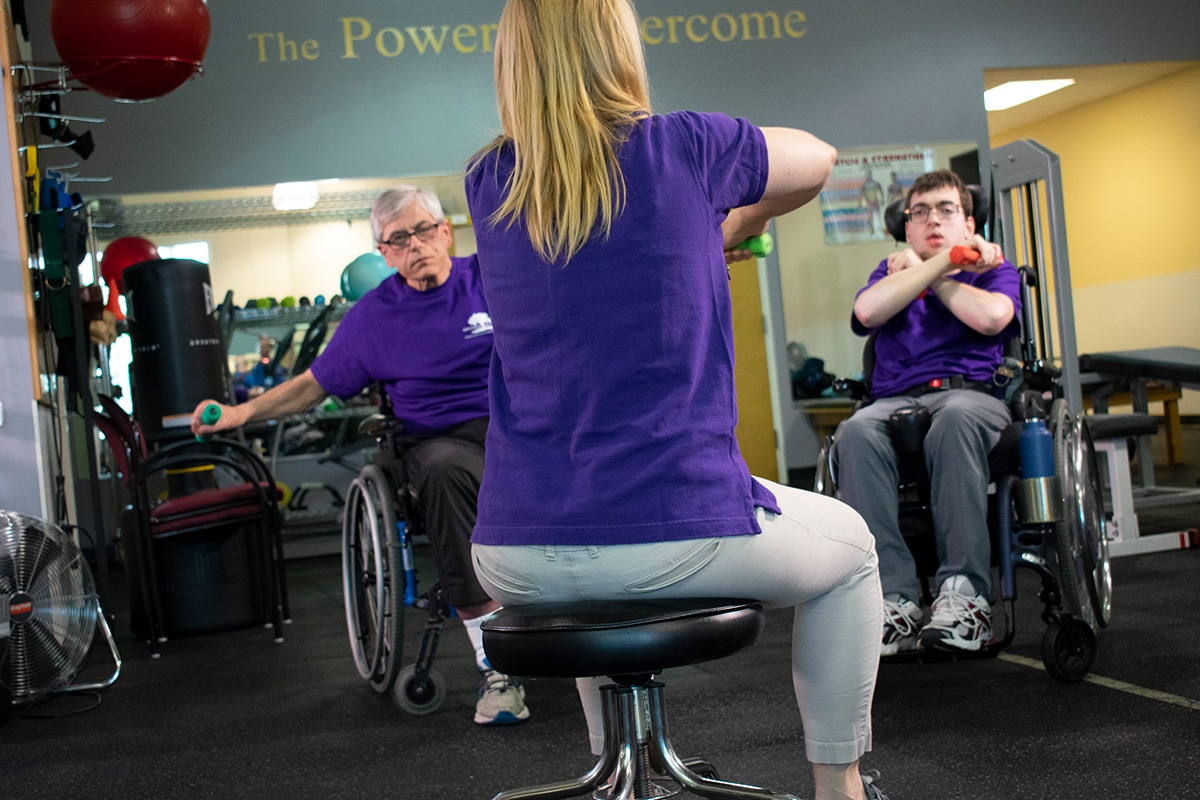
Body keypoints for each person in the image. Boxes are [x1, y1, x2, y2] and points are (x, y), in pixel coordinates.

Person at [464, 2, 887, 799]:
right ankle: (842, 789)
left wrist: (708, 228)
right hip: (674, 535)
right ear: (616, 43)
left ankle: (614, 773)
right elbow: (819, 159)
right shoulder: (684, 146)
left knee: (589, 581)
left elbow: (588, 250)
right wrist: (730, 215)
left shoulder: (490, 180)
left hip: (515, 551)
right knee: (854, 550)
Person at [191, 185, 530, 727]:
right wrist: (239, 415)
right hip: (437, 442)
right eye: (399, 239)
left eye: (423, 230)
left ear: (446, 232)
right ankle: (497, 666)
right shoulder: (375, 317)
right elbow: (311, 385)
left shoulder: (493, 277)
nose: (415, 244)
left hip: (516, 427)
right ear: (385, 253)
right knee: (444, 471)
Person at [832, 169, 1021, 656]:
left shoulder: (993, 269)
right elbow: (869, 313)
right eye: (920, 212)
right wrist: (931, 267)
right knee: (854, 432)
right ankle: (892, 600)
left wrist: (933, 272)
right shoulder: (888, 270)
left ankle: (965, 596)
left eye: (945, 210)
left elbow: (994, 317)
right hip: (893, 401)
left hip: (971, 397)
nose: (933, 219)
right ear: (907, 228)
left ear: (968, 224)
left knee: (954, 419)